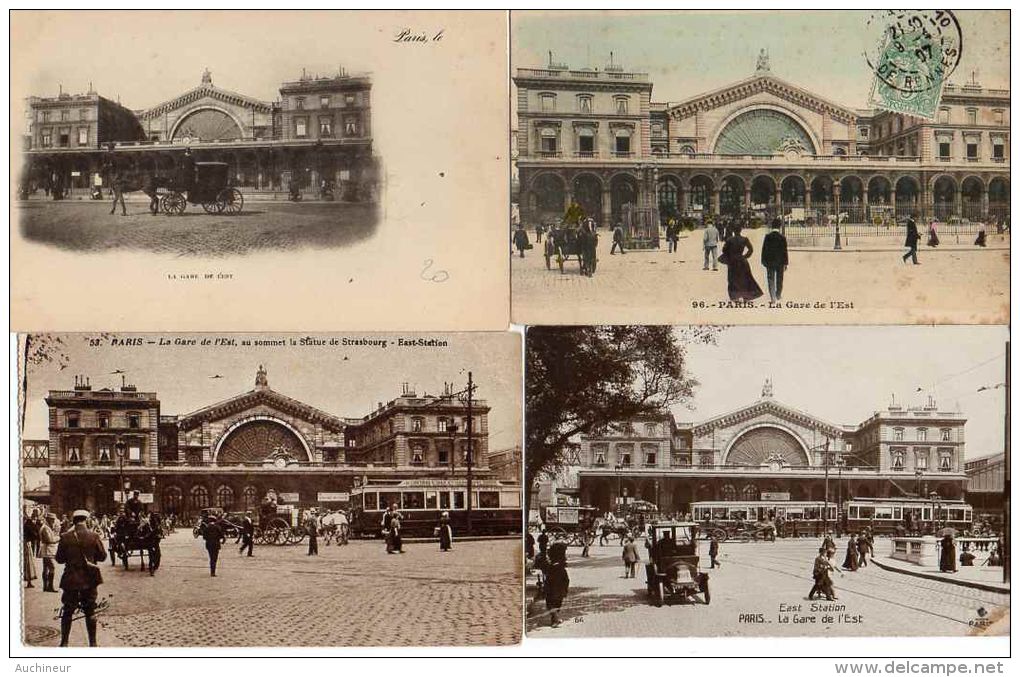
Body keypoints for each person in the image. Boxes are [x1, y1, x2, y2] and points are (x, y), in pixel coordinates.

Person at [56, 510, 108, 647]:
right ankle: (93, 643)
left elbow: (59, 559)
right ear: (86, 520)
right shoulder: (94, 535)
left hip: (71, 579)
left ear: (74, 521)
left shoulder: (65, 536)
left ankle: (64, 642)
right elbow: (103, 557)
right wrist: (91, 557)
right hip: (89, 579)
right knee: (90, 610)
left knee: (67, 611)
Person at [720, 225, 764, 301]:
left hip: (732, 261)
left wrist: (730, 255)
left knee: (732, 278)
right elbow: (751, 249)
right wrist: (745, 256)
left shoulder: (730, 240)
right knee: (744, 278)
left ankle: (734, 296)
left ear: (733, 231)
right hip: (742, 260)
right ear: (740, 231)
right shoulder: (744, 239)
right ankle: (746, 295)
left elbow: (724, 250)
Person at [761, 218, 789, 302]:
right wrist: (786, 263)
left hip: (769, 262)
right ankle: (778, 294)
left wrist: (763, 260)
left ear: (772, 226)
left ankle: (773, 297)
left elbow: (764, 250)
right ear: (779, 226)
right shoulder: (782, 237)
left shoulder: (767, 237)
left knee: (771, 279)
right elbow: (785, 251)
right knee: (780, 279)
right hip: (780, 262)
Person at [544, 542, 570, 627]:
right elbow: (566, 579)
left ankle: (554, 619)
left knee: (551, 603)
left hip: (552, 588)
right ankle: (555, 620)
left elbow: (548, 579)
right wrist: (565, 589)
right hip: (559, 588)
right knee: (557, 603)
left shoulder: (550, 567)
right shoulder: (561, 567)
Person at [39, 512, 61, 593]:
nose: (53, 522)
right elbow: (49, 540)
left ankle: (45, 586)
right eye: (52, 520)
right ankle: (50, 587)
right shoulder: (45, 528)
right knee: (52, 568)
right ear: (48, 519)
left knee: (46, 568)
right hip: (47, 551)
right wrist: (58, 538)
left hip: (46, 550)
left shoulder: (46, 527)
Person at [23, 510, 40, 588]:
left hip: (26, 542)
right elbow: (34, 533)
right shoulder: (28, 523)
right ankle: (28, 581)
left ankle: (29, 581)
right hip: (25, 543)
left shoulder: (28, 523)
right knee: (28, 563)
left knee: (27, 563)